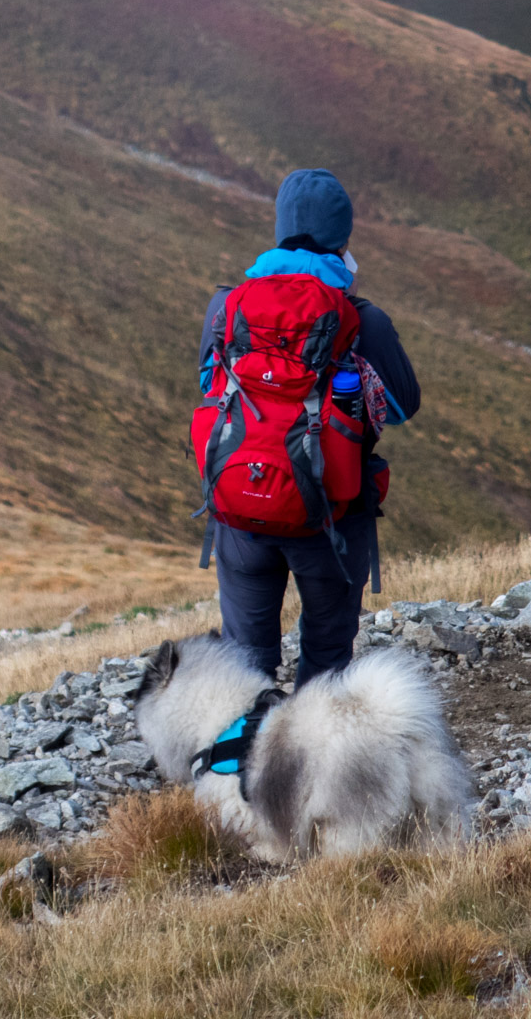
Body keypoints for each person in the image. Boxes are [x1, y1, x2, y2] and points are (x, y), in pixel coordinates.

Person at [196, 169, 420, 687]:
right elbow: (403, 407)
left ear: (279, 229)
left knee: (244, 666)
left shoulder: (226, 307)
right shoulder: (363, 319)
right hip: (330, 519)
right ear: (343, 241)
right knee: (324, 659)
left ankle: (240, 761)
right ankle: (311, 763)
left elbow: (212, 387)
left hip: (241, 509)